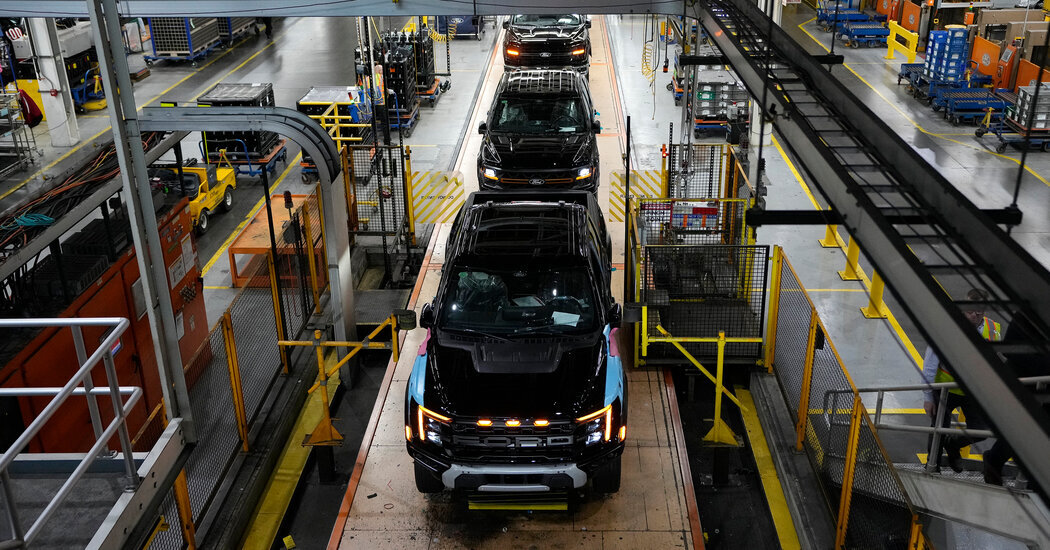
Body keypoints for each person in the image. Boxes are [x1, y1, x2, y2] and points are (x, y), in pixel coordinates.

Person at [922, 288, 1001, 472]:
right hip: (945, 389)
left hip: (972, 391)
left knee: (980, 430)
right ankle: (932, 465)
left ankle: (954, 445)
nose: (974, 315)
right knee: (939, 429)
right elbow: (930, 363)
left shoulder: (993, 329)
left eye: (979, 312)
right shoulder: (946, 327)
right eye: (970, 311)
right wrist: (927, 396)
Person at [981, 311, 1049, 487]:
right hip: (1024, 382)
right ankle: (995, 461)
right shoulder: (1029, 311)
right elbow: (1010, 349)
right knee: (1023, 431)